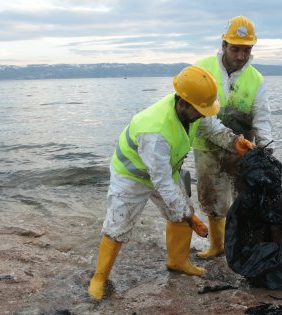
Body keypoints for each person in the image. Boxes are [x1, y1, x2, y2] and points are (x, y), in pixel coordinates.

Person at [88, 65, 254, 301]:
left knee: (178, 212)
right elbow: (162, 183)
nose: (203, 114)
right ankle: (99, 278)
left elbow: (210, 125)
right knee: (118, 225)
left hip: (164, 171)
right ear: (182, 103)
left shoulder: (192, 109)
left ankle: (177, 262)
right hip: (132, 176)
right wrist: (190, 216)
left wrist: (235, 141)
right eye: (200, 110)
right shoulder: (155, 131)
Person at [193, 16, 274, 259]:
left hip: (244, 150)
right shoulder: (202, 69)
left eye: (246, 50)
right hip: (207, 146)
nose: (240, 56)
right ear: (224, 46)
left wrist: (267, 153)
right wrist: (230, 140)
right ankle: (217, 246)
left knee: (244, 200)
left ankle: (241, 246)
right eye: (235, 48)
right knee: (212, 199)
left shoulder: (256, 79)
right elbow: (202, 118)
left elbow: (262, 119)